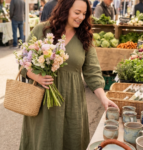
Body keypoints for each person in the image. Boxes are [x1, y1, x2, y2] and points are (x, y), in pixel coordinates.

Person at [19, 0, 119, 149]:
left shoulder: (85, 37)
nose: (80, 17)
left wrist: (103, 98)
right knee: (44, 140)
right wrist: (37, 77)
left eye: (84, 14)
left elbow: (92, 71)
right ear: (65, 10)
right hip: (43, 102)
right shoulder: (42, 30)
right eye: (77, 12)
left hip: (72, 102)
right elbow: (22, 62)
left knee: (71, 139)